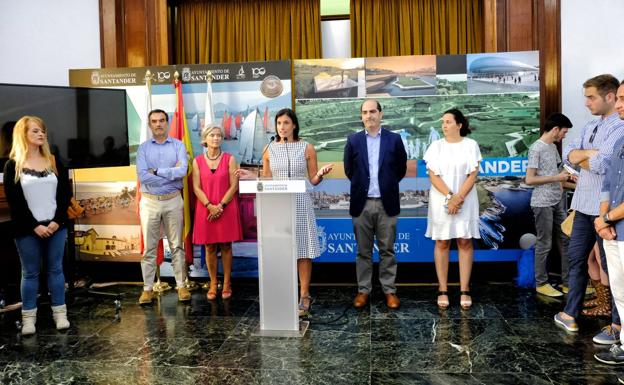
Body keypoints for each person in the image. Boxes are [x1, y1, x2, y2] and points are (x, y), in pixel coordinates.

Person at [237, 108, 332, 316]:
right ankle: (282, 293)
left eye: (286, 123)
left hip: (300, 202)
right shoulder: (269, 148)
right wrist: (253, 177)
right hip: (278, 204)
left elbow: (313, 179)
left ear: (294, 125)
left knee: (303, 250)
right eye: (279, 123)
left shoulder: (307, 147)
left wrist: (321, 175)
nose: (282, 127)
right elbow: (268, 179)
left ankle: (304, 295)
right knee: (281, 249)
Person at [554, 75, 624, 348]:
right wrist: (584, 155)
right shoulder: (590, 125)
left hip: (606, 210)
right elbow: (567, 157)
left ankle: (617, 324)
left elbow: (602, 165)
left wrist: (580, 157)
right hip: (582, 205)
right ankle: (570, 313)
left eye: (591, 97)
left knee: (612, 268)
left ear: (609, 96)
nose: (586, 103)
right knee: (576, 260)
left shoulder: (619, 129)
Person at [2, 116, 71, 335]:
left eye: (42, 131)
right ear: (23, 135)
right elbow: (15, 202)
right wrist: (35, 226)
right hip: (27, 229)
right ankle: (29, 319)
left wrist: (56, 222)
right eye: (35, 131)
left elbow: (64, 195)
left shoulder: (54, 161)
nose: (41, 134)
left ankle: (60, 314)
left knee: (56, 270)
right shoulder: (13, 165)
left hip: (55, 226)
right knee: (30, 273)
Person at [344, 99, 407, 310]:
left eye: (373, 111)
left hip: (385, 203)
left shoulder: (394, 140)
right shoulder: (353, 140)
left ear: (380, 114)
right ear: (361, 116)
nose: (369, 115)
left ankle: (389, 291)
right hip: (361, 205)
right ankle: (363, 291)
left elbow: (400, 170)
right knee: (363, 252)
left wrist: (386, 186)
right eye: (365, 112)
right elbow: (349, 171)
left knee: (387, 250)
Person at [423, 108, 481, 310]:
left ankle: (465, 289)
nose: (444, 125)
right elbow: (433, 176)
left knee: (465, 241)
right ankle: (443, 289)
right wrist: (450, 197)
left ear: (459, 125)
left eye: (448, 122)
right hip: (442, 200)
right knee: (442, 242)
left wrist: (459, 198)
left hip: (465, 199)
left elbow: (473, 175)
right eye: (443, 122)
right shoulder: (436, 147)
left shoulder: (470, 145)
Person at [136, 109, 190, 304]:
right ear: (150, 125)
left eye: (161, 121)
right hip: (149, 201)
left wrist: (157, 171)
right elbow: (143, 176)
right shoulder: (143, 149)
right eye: (154, 121)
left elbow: (182, 170)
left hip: (173, 199)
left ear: (167, 123)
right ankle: (147, 289)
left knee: (177, 246)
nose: (158, 124)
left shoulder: (178, 145)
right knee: (149, 248)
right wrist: (170, 174)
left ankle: (181, 286)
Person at [525, 112, 573, 297]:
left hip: (557, 200)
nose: (564, 135)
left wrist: (571, 179)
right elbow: (529, 179)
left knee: (565, 241)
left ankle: (568, 283)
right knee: (544, 243)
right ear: (555, 129)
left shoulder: (553, 147)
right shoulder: (536, 148)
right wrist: (557, 178)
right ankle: (541, 283)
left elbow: (560, 174)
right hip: (542, 203)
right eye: (564, 132)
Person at [192, 125, 242, 300]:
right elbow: (196, 187)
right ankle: (213, 283)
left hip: (225, 207)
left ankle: (227, 283)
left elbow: (234, 185)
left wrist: (220, 206)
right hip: (205, 208)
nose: (216, 138)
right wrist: (209, 206)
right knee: (209, 246)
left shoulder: (230, 159)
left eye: (219, 135)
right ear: (205, 139)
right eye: (212, 135)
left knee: (226, 246)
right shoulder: (197, 161)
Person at [593, 80, 624, 364]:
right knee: (620, 290)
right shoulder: (619, 141)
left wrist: (606, 218)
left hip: (615, 225)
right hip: (613, 231)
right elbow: (608, 181)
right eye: (620, 99)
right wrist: (604, 218)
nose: (619, 105)